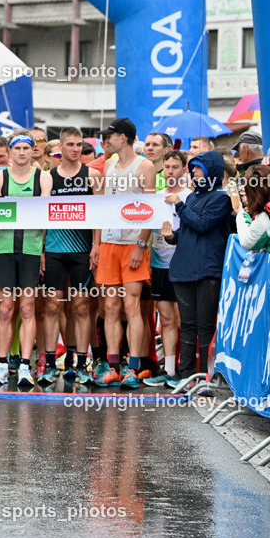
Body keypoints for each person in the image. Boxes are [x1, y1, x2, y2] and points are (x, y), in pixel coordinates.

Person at [93, 117, 155, 389]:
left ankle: (133, 367)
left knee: (132, 306)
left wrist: (141, 246)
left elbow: (151, 210)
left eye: (111, 135)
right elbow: (103, 207)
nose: (107, 140)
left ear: (125, 137)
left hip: (132, 245)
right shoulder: (108, 164)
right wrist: (96, 244)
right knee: (109, 307)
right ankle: (113, 366)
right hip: (108, 243)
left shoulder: (145, 166)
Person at [38, 126, 101, 390]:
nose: (75, 149)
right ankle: (51, 363)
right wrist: (41, 249)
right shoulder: (47, 177)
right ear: (60, 148)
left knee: (81, 307)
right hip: (53, 249)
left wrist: (96, 245)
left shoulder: (93, 175)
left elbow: (99, 212)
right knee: (52, 306)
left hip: (82, 250)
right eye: (70, 145)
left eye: (79, 145)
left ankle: (81, 363)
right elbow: (41, 213)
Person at [163, 150, 233, 382]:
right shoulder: (192, 197)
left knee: (205, 326)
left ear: (211, 171)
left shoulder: (221, 199)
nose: (193, 172)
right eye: (192, 168)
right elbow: (188, 231)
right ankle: (186, 376)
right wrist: (171, 237)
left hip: (208, 271)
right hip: (184, 269)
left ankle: (206, 377)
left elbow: (203, 225)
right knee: (188, 326)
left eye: (198, 168)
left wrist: (180, 206)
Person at [0, 131, 44, 387]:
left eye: (26, 148)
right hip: (6, 249)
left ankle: (24, 365)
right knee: (4, 309)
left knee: (27, 308)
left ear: (33, 151)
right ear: (10, 152)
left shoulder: (42, 176)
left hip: (31, 248)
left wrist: (42, 250)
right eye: (17, 148)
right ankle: (1, 364)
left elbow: (43, 214)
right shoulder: (0, 176)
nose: (22, 152)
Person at [147, 151, 189, 386]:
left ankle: (185, 370)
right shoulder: (156, 198)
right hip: (159, 263)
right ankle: (169, 370)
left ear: (184, 169)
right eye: (167, 167)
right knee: (165, 318)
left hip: (183, 264)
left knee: (183, 320)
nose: (171, 171)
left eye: (175, 167)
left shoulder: (189, 197)